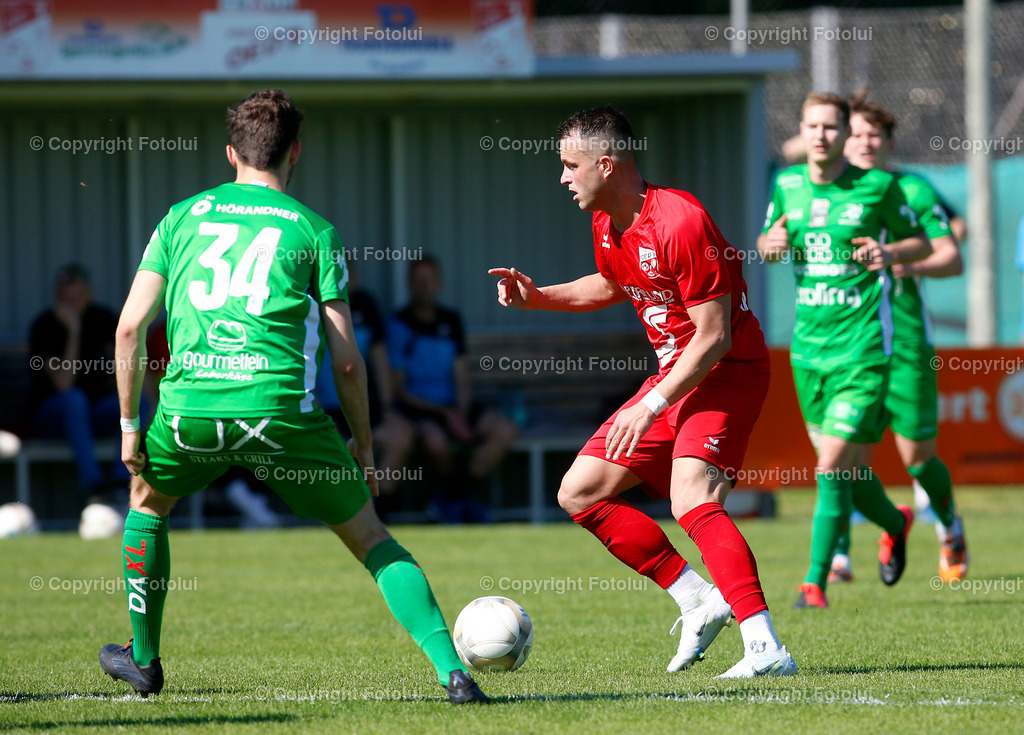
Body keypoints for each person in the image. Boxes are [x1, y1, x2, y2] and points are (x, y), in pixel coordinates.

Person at [98, 89, 488, 705]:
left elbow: (128, 330)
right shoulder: (314, 230)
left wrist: (128, 426)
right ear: (296, 152)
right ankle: (454, 674)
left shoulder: (180, 218)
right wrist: (364, 446)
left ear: (231, 153)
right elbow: (349, 362)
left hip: (190, 410)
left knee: (147, 503)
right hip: (282, 415)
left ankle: (143, 660)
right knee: (371, 537)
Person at [490, 104, 797, 678]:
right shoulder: (607, 222)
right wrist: (539, 298)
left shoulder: (681, 221)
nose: (562, 177)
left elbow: (715, 336)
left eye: (570, 165)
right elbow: (612, 283)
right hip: (675, 376)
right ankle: (697, 599)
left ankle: (765, 648)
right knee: (580, 492)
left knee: (692, 498)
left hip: (726, 371)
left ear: (606, 165)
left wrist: (652, 404)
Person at [758, 92, 932, 609]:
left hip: (863, 350)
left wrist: (888, 251)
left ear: (845, 134)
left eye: (831, 127)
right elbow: (767, 241)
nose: (821, 135)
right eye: (812, 126)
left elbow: (923, 243)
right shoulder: (787, 184)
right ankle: (894, 521)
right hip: (808, 352)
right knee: (847, 473)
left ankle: (815, 582)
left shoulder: (878, 187)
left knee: (832, 465)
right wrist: (769, 246)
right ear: (802, 130)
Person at [829, 94, 968, 584]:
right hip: (848, 342)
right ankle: (841, 554)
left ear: (889, 142)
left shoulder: (912, 189)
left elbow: (952, 257)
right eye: (856, 134)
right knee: (844, 455)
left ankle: (950, 526)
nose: (864, 143)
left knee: (918, 459)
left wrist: (902, 261)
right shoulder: (829, 192)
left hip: (906, 343)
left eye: (874, 135)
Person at [389, 256, 518, 524]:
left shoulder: (451, 320)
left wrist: (459, 411)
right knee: (436, 442)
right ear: (409, 284)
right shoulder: (398, 324)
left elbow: (461, 376)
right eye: (419, 280)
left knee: (505, 430)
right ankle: (459, 502)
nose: (425, 286)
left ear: (439, 283)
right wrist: (445, 413)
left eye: (430, 279)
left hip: (454, 407)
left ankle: (453, 498)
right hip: (420, 409)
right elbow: (399, 390)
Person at [28, 264, 134, 503]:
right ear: (57, 295)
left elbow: (133, 365)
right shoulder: (45, 325)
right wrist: (74, 331)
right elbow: (64, 384)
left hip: (94, 415)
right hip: (51, 418)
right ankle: (93, 486)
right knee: (74, 399)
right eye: (66, 296)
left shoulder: (104, 319)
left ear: (89, 292)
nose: (71, 301)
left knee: (136, 401)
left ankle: (122, 483)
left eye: (77, 295)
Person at [316, 259, 414, 499]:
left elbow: (380, 359)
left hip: (362, 407)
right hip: (323, 411)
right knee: (333, 452)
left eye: (348, 273)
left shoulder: (366, 304)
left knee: (401, 436)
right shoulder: (310, 307)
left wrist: (387, 406)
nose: (344, 279)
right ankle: (347, 508)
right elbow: (300, 364)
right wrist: (315, 409)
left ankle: (378, 504)